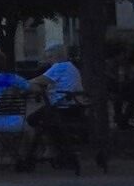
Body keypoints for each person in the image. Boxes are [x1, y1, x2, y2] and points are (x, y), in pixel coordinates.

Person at [19, 43, 85, 171]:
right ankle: (52, 149)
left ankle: (43, 151)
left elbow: (41, 80)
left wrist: (21, 83)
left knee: (33, 119)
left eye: (49, 57)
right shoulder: (72, 67)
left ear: (55, 56)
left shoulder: (59, 67)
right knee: (46, 123)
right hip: (75, 107)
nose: (48, 60)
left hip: (60, 108)